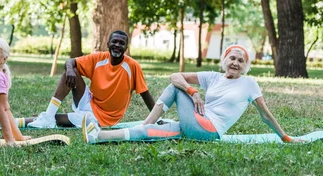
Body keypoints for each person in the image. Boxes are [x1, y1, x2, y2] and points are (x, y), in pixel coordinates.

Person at [83, 45, 299, 144]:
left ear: (245, 66)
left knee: (176, 90)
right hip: (197, 124)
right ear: (225, 60)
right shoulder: (212, 77)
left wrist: (285, 137)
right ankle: (99, 137)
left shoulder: (249, 83)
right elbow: (175, 75)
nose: (235, 63)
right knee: (151, 133)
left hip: (210, 129)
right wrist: (193, 92)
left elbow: (265, 114)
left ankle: (146, 122)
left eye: (241, 61)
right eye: (232, 58)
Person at [25, 30, 155, 129]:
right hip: (89, 101)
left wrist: (156, 118)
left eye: (121, 43)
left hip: (103, 118)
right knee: (72, 70)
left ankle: (45, 117)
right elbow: (70, 61)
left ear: (126, 47)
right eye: (114, 41)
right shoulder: (99, 58)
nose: (117, 45)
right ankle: (47, 116)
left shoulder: (132, 66)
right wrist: (69, 69)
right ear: (108, 43)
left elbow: (145, 94)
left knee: (57, 119)